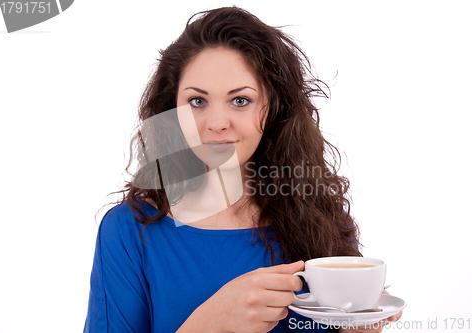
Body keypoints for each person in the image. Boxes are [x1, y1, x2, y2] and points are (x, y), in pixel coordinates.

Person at [83, 6, 402, 333]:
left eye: (240, 101)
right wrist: (212, 323)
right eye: (197, 101)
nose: (217, 124)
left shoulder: (321, 216)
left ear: (275, 108)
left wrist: (362, 327)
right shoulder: (128, 231)